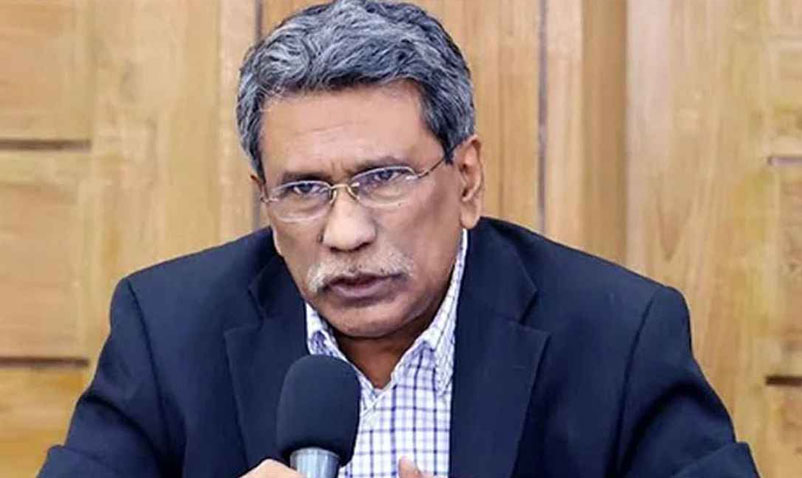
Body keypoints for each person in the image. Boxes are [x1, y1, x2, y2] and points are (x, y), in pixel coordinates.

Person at [39, 1, 759, 477]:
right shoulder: (167, 331)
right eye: (304, 189)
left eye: (383, 178)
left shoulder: (616, 336)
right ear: (264, 198)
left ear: (466, 180)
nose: (345, 232)